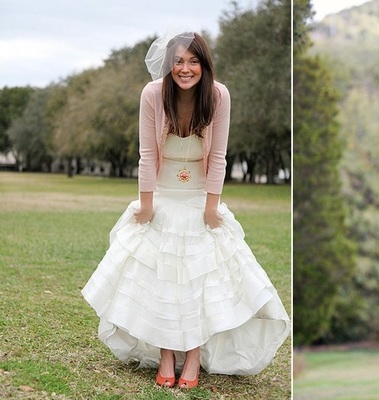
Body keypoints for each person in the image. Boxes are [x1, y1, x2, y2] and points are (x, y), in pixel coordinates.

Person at [81, 31, 290, 390]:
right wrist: (146, 207)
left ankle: (192, 357)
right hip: (163, 196)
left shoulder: (219, 96)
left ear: (204, 65)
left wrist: (212, 209)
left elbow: (220, 157)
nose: (185, 68)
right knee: (164, 279)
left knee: (198, 280)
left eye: (193, 61)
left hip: (198, 199)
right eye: (178, 61)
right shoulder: (152, 95)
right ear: (168, 64)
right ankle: (166, 355)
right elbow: (147, 155)